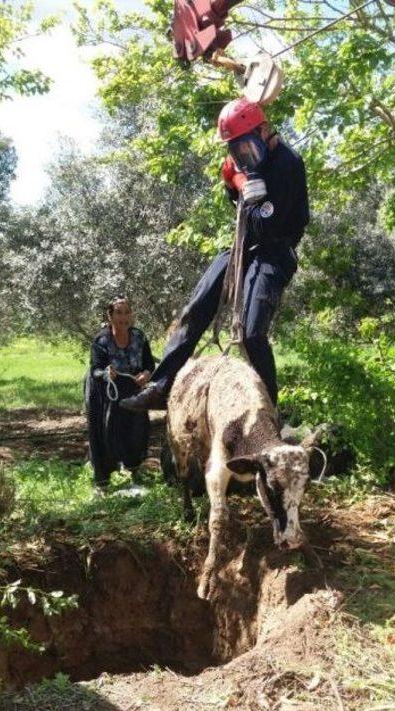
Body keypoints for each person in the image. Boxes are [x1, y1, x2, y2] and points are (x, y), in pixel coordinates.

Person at [120, 96, 309, 413]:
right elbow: (243, 207)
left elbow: (266, 224)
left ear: (264, 131)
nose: (243, 157)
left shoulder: (288, 165)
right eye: (236, 151)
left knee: (251, 333)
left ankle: (268, 409)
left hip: (275, 251)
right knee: (197, 306)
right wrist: (234, 184)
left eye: (246, 148)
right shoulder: (250, 164)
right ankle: (161, 386)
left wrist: (245, 192)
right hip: (244, 246)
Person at [84, 297, 155, 486]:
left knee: (136, 431)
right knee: (107, 433)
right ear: (110, 316)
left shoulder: (139, 337)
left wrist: (146, 374)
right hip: (107, 392)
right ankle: (103, 480)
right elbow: (95, 370)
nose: (124, 317)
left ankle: (134, 472)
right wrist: (107, 374)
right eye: (119, 313)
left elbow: (149, 363)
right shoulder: (102, 340)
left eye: (127, 312)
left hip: (133, 388)